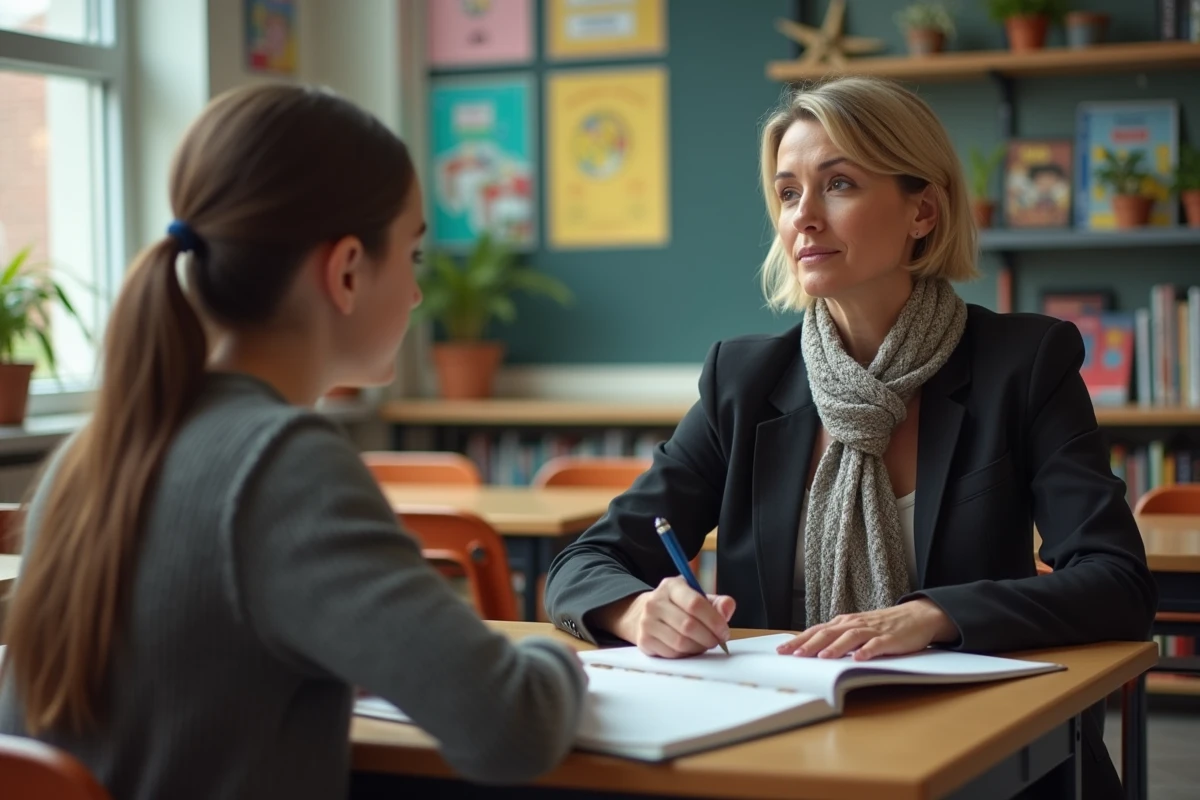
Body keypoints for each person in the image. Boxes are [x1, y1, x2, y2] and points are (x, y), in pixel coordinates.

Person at [544, 76, 1155, 799]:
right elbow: (586, 564)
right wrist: (642, 609)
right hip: (776, 752)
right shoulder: (743, 378)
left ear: (922, 210)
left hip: (979, 745)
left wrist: (932, 617)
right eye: (788, 192)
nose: (804, 217)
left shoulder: (1024, 364)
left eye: (837, 184)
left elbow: (1116, 582)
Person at [0, 84, 586, 800]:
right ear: (345, 271)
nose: (415, 294)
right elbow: (511, 726)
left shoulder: (87, 456)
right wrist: (566, 664)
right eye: (415, 256)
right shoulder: (284, 462)